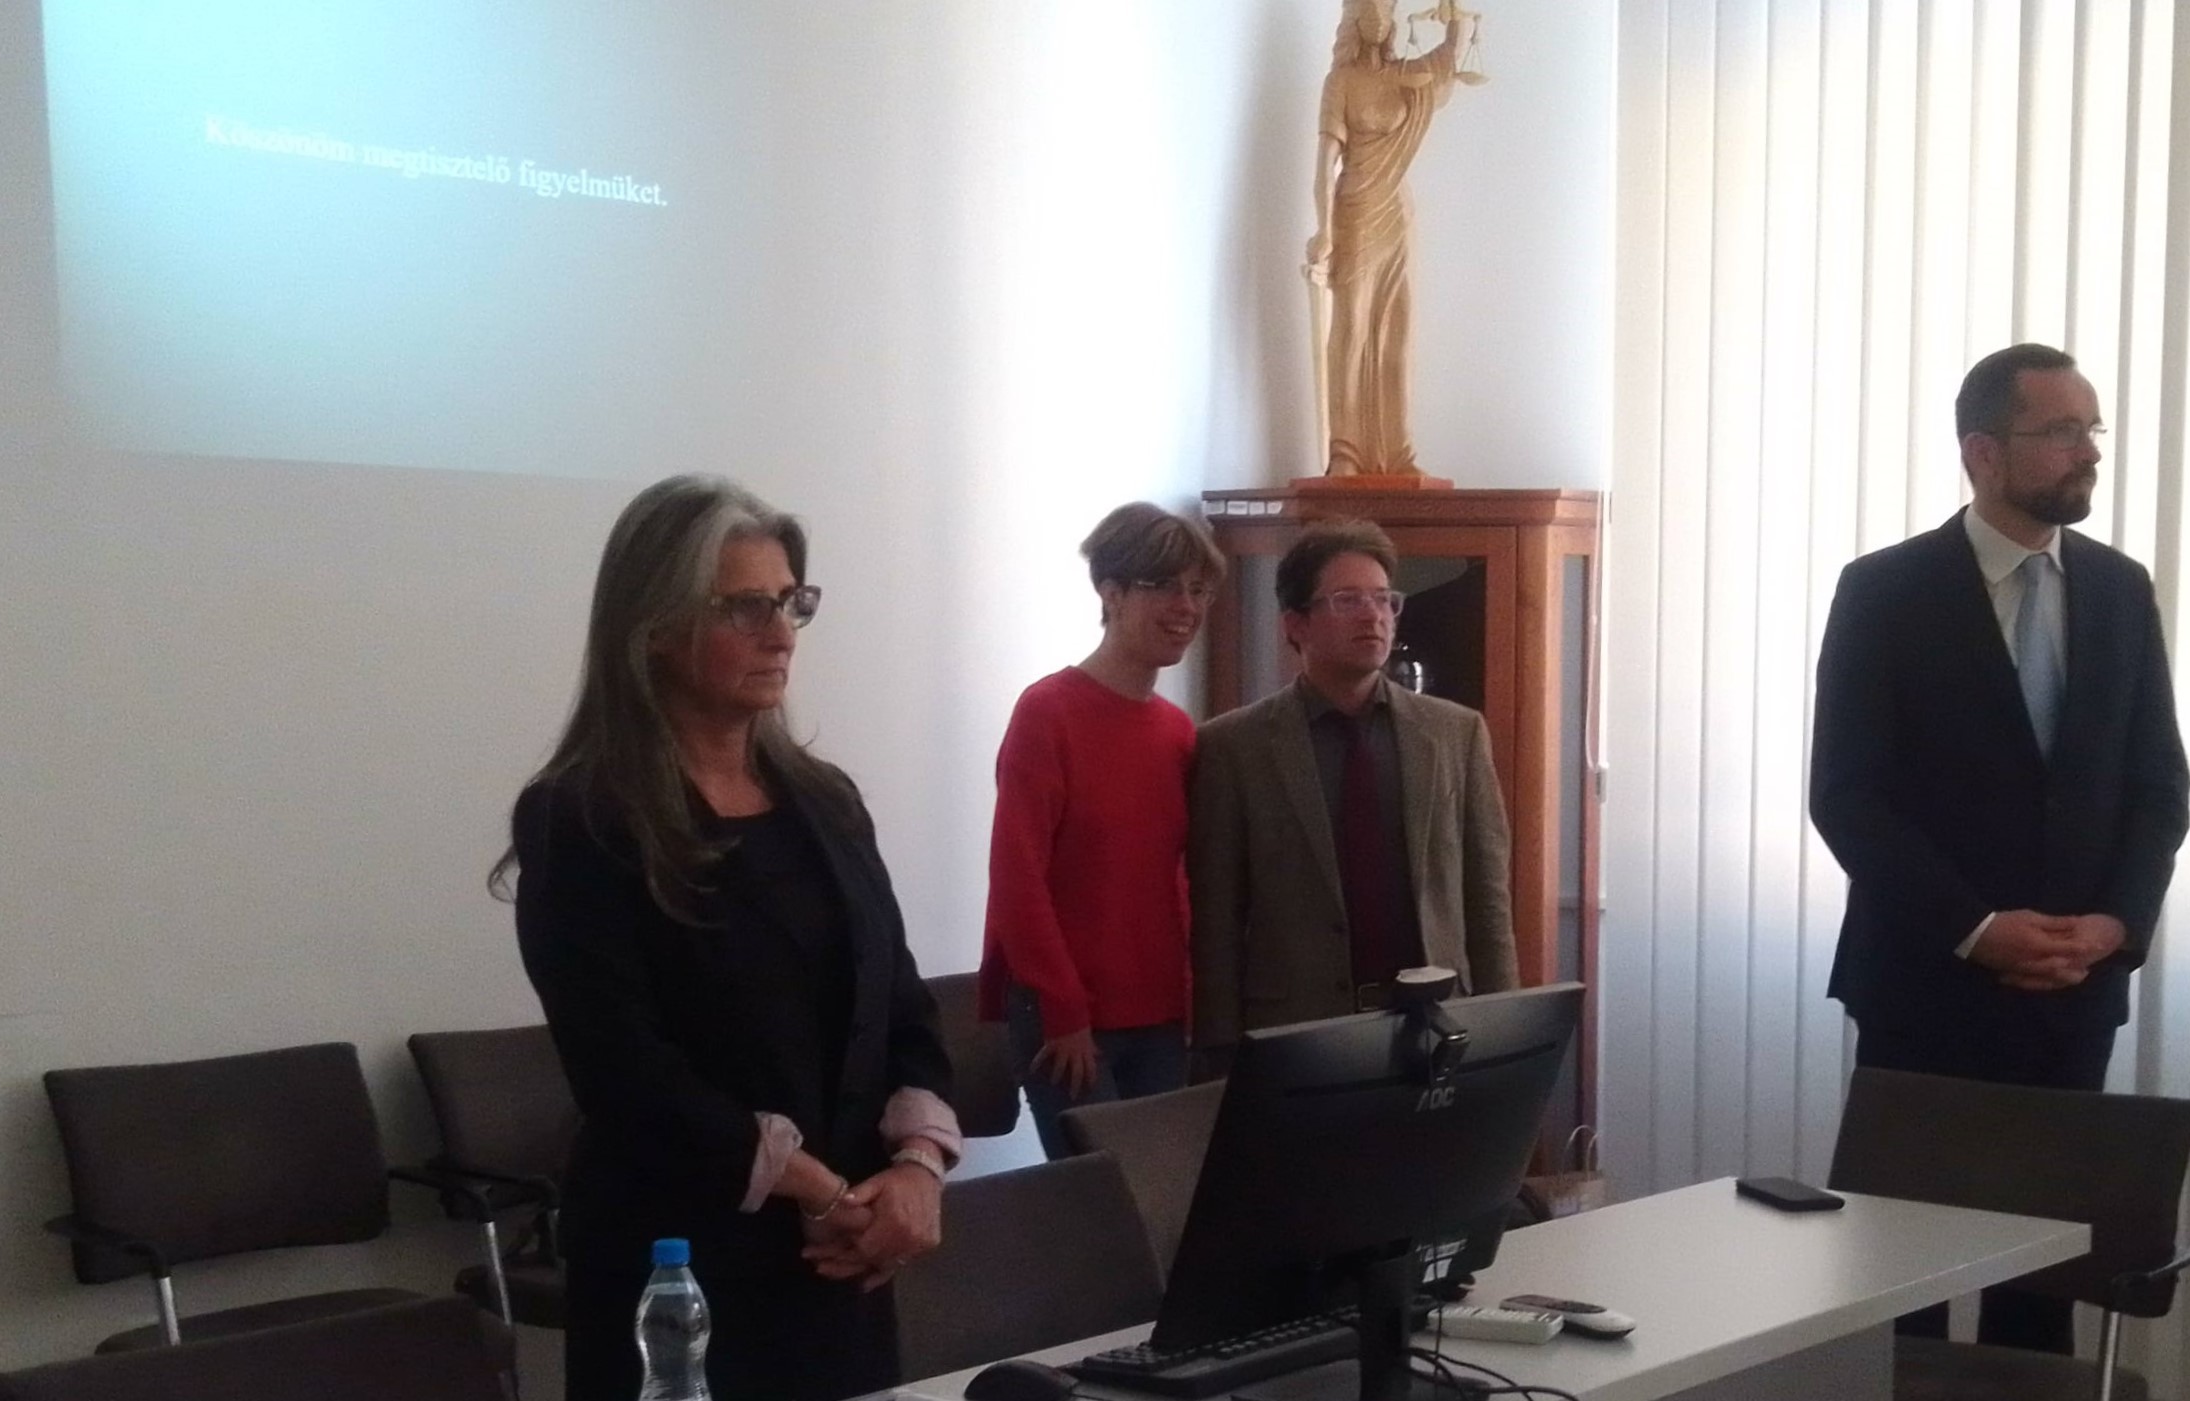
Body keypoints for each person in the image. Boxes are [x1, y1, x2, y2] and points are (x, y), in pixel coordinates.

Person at [497, 476, 961, 1401]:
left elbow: (898, 1004)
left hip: (841, 1259)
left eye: (791, 602)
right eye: (745, 607)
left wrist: (915, 1170)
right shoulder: (582, 817)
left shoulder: (826, 801)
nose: (781, 632)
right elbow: (623, 1068)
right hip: (677, 1269)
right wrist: (821, 1190)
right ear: (654, 628)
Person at [1808, 344, 2190, 1354]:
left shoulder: (2118, 589)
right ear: (1982, 452)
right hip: (1923, 987)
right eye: (2059, 430)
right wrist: (1975, 928)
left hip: (2071, 993)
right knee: (1903, 1295)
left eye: (2089, 428)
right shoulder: (1884, 590)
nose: (2087, 451)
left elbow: (2158, 786)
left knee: (2040, 1295)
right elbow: (1847, 796)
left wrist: (2113, 925)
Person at [1188, 518, 1517, 1073]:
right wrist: (1218, 1051)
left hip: (1435, 1022)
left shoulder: (1455, 734)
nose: (1374, 615)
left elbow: (1487, 897)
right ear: (1296, 624)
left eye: (1384, 599)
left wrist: (1504, 1024)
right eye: (1348, 600)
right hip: (1295, 1031)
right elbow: (1216, 916)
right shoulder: (1234, 747)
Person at [977, 503, 1223, 1158]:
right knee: (1106, 1199)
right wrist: (1063, 1011)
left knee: (1161, 1195)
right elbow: (1017, 880)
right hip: (1069, 1019)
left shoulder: (1178, 732)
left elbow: (1177, 881)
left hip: (1162, 1018)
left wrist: (1193, 1006)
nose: (1186, 606)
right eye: (1164, 586)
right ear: (1110, 592)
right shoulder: (1047, 713)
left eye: (1197, 589)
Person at [1305, 0, 1478, 476]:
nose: (1380, 19)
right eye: (1371, 10)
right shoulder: (1341, 82)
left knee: (1398, 334)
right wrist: (1324, 228)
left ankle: (1400, 455)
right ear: (1356, 20)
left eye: (1387, 11)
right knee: (1351, 329)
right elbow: (1324, 167)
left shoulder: (1408, 77)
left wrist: (1455, 17)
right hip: (1356, 213)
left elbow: (1447, 62)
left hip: (1397, 215)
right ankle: (1345, 451)